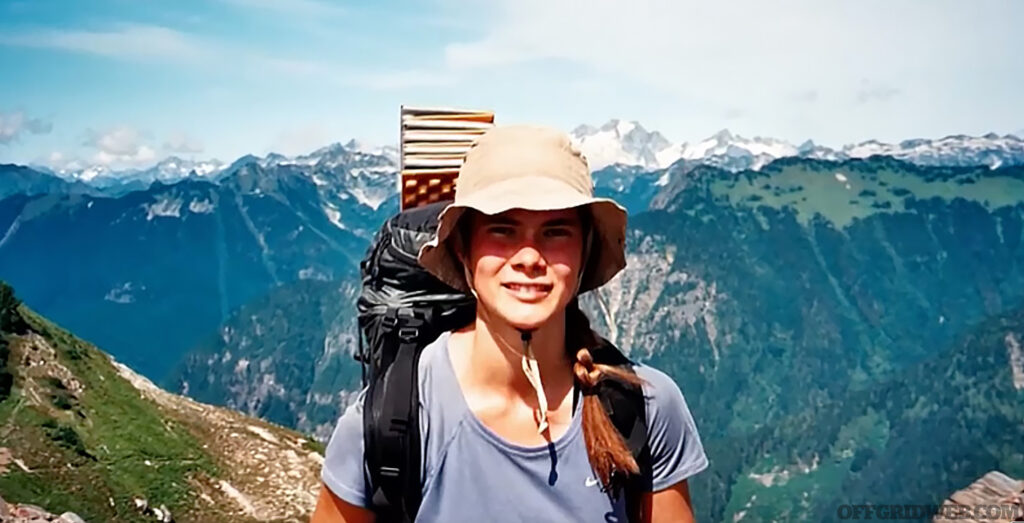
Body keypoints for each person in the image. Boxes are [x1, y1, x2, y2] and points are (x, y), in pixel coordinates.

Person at [311, 125, 708, 522]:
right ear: (464, 248)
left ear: (583, 250)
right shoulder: (386, 426)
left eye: (556, 231)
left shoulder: (646, 408)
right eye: (502, 229)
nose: (529, 257)